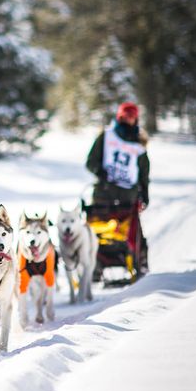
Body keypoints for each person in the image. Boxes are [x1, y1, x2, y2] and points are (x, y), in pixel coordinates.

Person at [86, 101, 149, 272]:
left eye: (131, 116)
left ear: (135, 119)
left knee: (132, 231)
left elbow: (144, 172)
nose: (128, 119)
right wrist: (101, 173)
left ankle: (140, 262)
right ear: (119, 116)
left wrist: (145, 193)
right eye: (125, 116)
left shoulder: (139, 144)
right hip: (103, 195)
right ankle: (93, 264)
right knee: (96, 230)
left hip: (128, 198)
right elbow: (91, 162)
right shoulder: (106, 136)